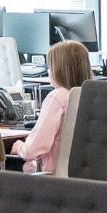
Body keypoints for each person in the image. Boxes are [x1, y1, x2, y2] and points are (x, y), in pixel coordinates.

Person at [12, 41, 91, 174]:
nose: (48, 71)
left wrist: (19, 147)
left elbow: (32, 150)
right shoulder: (90, 96)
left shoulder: (57, 98)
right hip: (80, 177)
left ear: (58, 69)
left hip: (50, 178)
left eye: (50, 67)